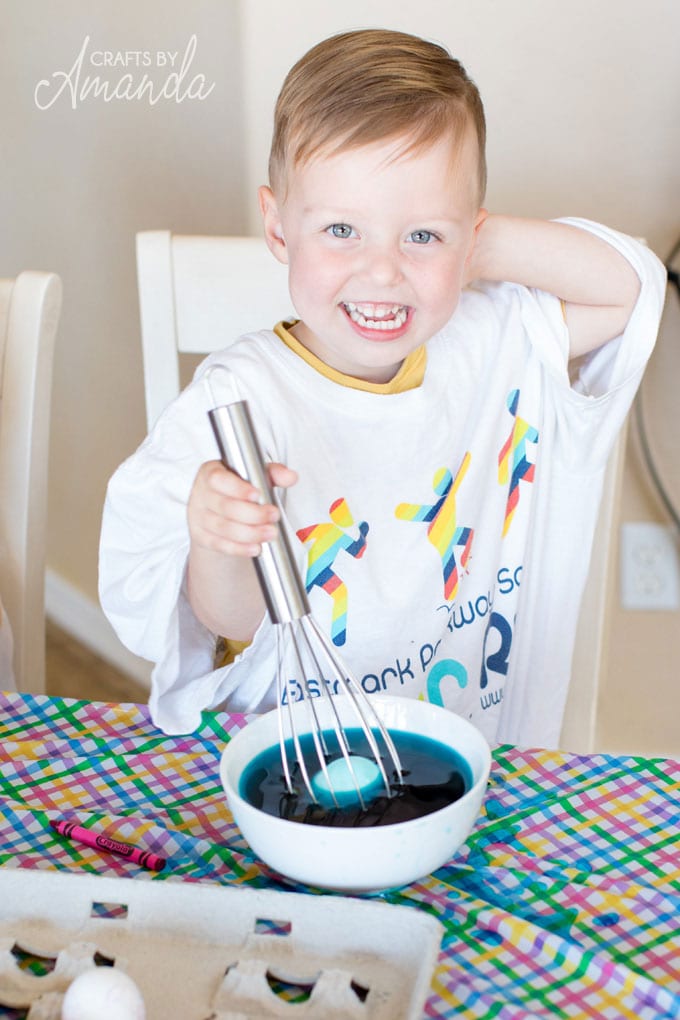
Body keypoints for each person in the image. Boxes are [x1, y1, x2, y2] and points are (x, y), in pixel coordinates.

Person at [99, 28, 665, 745]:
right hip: (295, 756)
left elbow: (629, 291)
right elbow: (234, 622)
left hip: (467, 755)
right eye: (342, 229)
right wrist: (217, 539)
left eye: (420, 237)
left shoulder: (487, 340)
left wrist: (464, 244)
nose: (382, 271)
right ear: (278, 228)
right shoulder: (236, 401)